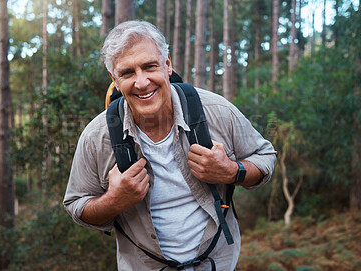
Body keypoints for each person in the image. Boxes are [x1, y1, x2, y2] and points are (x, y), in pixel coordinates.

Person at [63, 20, 277, 271]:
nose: (141, 82)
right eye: (127, 73)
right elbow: (77, 205)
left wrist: (232, 171)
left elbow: (265, 156)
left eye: (149, 66)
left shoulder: (216, 111)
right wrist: (115, 200)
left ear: (167, 64)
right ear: (115, 79)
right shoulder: (96, 137)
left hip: (217, 263)